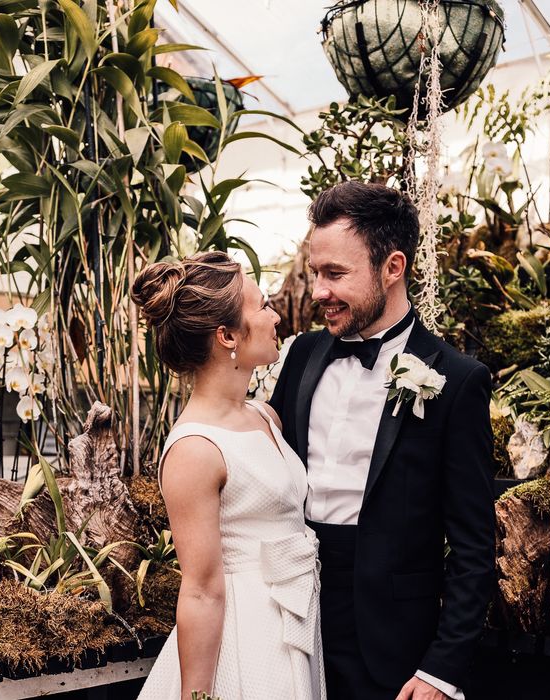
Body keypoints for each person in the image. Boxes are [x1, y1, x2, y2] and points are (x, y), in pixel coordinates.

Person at [269, 182, 495, 700]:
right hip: (288, 622)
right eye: (315, 273)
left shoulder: (457, 381)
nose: (318, 291)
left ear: (393, 268)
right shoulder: (301, 356)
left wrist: (442, 668)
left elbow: (474, 546)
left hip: (392, 646)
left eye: (335, 274)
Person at [133, 251, 325, 700]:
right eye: (262, 307)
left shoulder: (264, 417)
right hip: (248, 639)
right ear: (226, 335)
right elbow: (200, 590)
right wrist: (197, 695)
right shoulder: (194, 450)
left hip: (294, 622)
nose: (276, 316)